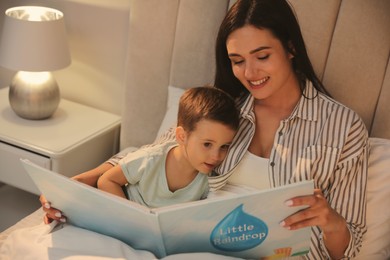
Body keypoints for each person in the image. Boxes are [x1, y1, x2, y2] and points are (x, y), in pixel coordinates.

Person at [41, 0, 369, 259]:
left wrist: (330, 219)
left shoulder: (343, 127)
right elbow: (156, 155)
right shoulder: (223, 108)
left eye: (263, 56)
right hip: (197, 246)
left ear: (291, 48)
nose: (250, 72)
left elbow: (347, 248)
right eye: (237, 60)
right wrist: (71, 188)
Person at [96, 86, 239, 208]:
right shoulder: (150, 158)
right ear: (182, 136)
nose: (216, 156)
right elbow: (106, 180)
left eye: (224, 146)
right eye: (207, 144)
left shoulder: (208, 179)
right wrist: (129, 216)